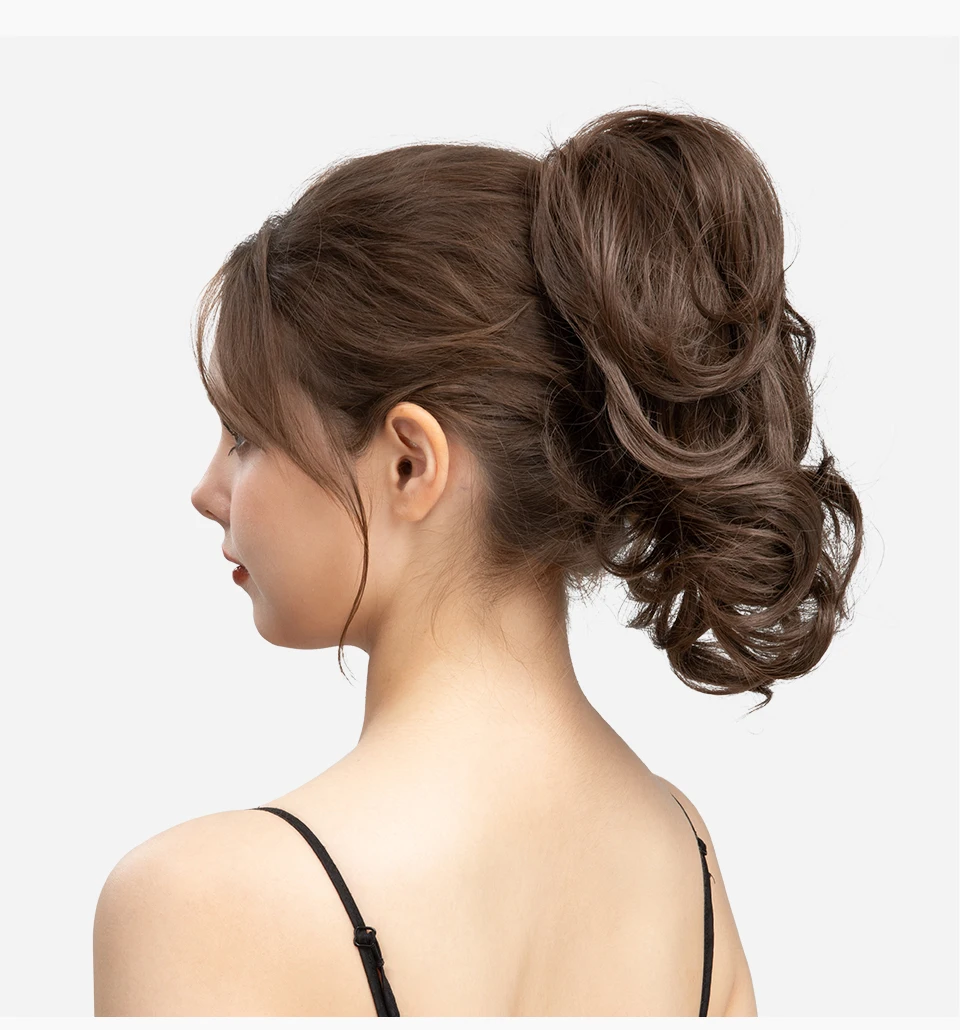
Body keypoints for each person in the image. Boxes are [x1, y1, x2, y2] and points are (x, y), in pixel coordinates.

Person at [93, 106, 862, 1016]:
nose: (207, 488)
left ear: (409, 464)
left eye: (245, 435)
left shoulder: (198, 903)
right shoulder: (683, 864)